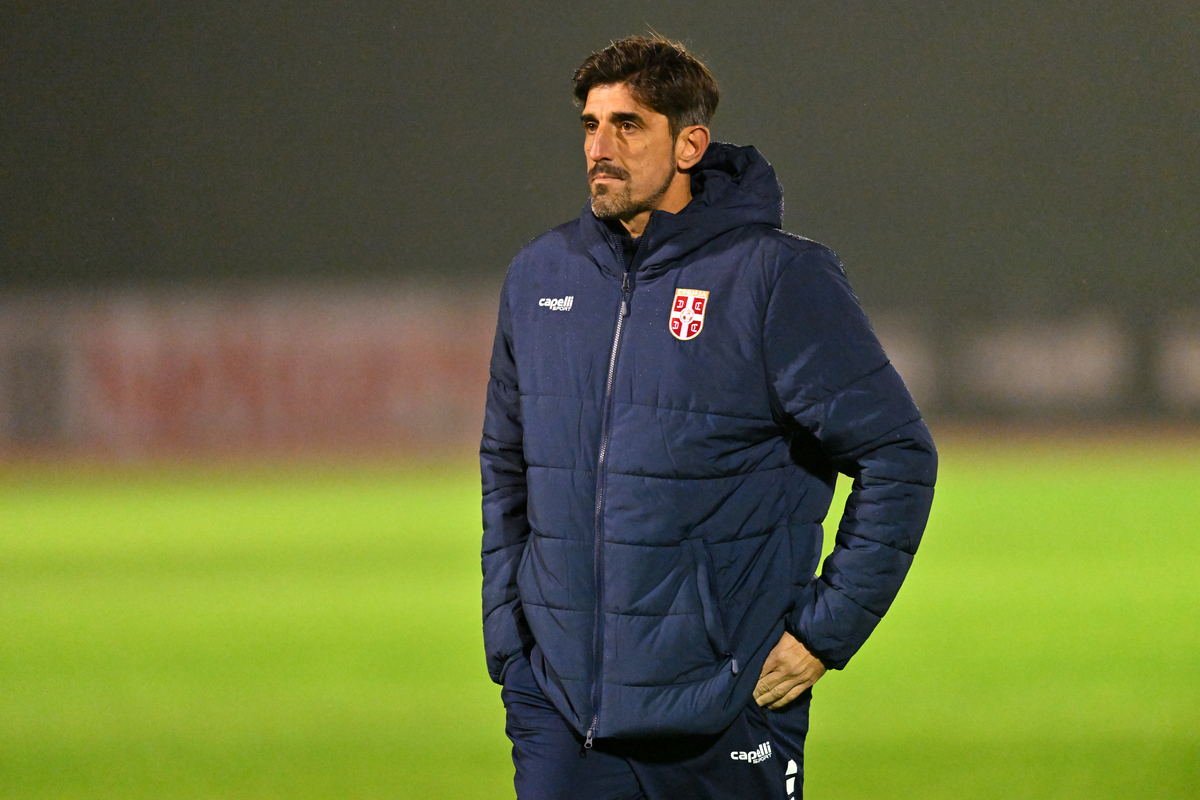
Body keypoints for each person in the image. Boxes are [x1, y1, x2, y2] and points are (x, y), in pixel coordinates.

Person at [480, 35, 936, 800]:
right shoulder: (540, 276)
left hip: (727, 713)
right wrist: (511, 648)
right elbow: (506, 463)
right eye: (590, 125)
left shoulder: (776, 277)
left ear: (690, 143)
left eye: (628, 125)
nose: (600, 147)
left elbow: (897, 454)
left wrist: (824, 635)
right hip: (562, 719)